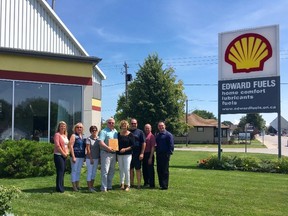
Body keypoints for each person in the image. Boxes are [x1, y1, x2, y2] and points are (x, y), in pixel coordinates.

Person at [98, 118, 118, 192]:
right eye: (109, 122)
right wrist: (108, 148)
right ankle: (103, 187)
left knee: (112, 171)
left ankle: (109, 186)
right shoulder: (103, 131)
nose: (111, 124)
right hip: (105, 153)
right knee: (105, 171)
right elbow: (100, 142)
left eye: (112, 123)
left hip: (113, 153)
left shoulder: (115, 131)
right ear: (107, 123)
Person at [155, 121, 174, 190]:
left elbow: (171, 145)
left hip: (165, 154)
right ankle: (161, 184)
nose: (161, 127)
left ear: (165, 126)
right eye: (159, 126)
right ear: (158, 127)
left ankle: (165, 185)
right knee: (159, 169)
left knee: (165, 170)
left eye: (162, 125)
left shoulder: (168, 135)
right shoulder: (157, 135)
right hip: (158, 154)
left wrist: (169, 154)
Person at [117, 120, 135, 191]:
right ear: (121, 126)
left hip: (127, 154)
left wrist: (125, 149)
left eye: (125, 126)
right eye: (122, 126)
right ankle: (122, 183)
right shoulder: (118, 134)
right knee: (121, 169)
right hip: (119, 154)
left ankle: (128, 185)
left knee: (127, 169)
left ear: (127, 126)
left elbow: (133, 145)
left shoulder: (130, 135)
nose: (124, 128)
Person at [69, 122, 85, 192]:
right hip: (75, 156)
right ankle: (74, 186)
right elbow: (71, 146)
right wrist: (73, 156)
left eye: (80, 127)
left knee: (78, 171)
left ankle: (77, 184)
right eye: (77, 127)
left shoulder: (83, 136)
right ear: (75, 128)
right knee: (74, 171)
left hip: (81, 156)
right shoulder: (73, 135)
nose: (79, 128)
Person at [129, 118, 146, 189]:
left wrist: (142, 153)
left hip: (137, 153)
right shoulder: (127, 131)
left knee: (138, 169)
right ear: (130, 124)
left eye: (134, 123)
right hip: (129, 153)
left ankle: (139, 184)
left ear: (137, 124)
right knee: (130, 169)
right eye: (132, 123)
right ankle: (131, 183)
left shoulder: (140, 132)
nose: (133, 125)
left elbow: (144, 143)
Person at [53, 121, 69, 193]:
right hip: (58, 155)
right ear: (59, 127)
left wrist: (67, 153)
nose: (63, 127)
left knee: (62, 172)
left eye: (64, 126)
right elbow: (57, 146)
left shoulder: (65, 135)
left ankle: (60, 186)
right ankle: (59, 188)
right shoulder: (57, 135)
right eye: (61, 126)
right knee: (60, 171)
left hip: (64, 155)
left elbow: (67, 146)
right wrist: (63, 153)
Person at [86, 125, 100, 192]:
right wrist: (90, 158)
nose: (94, 131)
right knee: (90, 173)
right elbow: (88, 149)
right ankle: (89, 188)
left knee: (94, 173)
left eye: (95, 130)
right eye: (92, 130)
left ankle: (92, 186)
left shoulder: (99, 139)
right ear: (91, 131)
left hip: (96, 158)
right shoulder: (88, 139)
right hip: (90, 159)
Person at [142, 124, 156, 188]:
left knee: (150, 170)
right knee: (144, 169)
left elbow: (153, 147)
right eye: (146, 128)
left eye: (148, 128)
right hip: (144, 154)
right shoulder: (144, 135)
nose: (147, 129)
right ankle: (146, 182)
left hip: (149, 154)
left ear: (151, 129)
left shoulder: (152, 136)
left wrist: (150, 157)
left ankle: (151, 184)